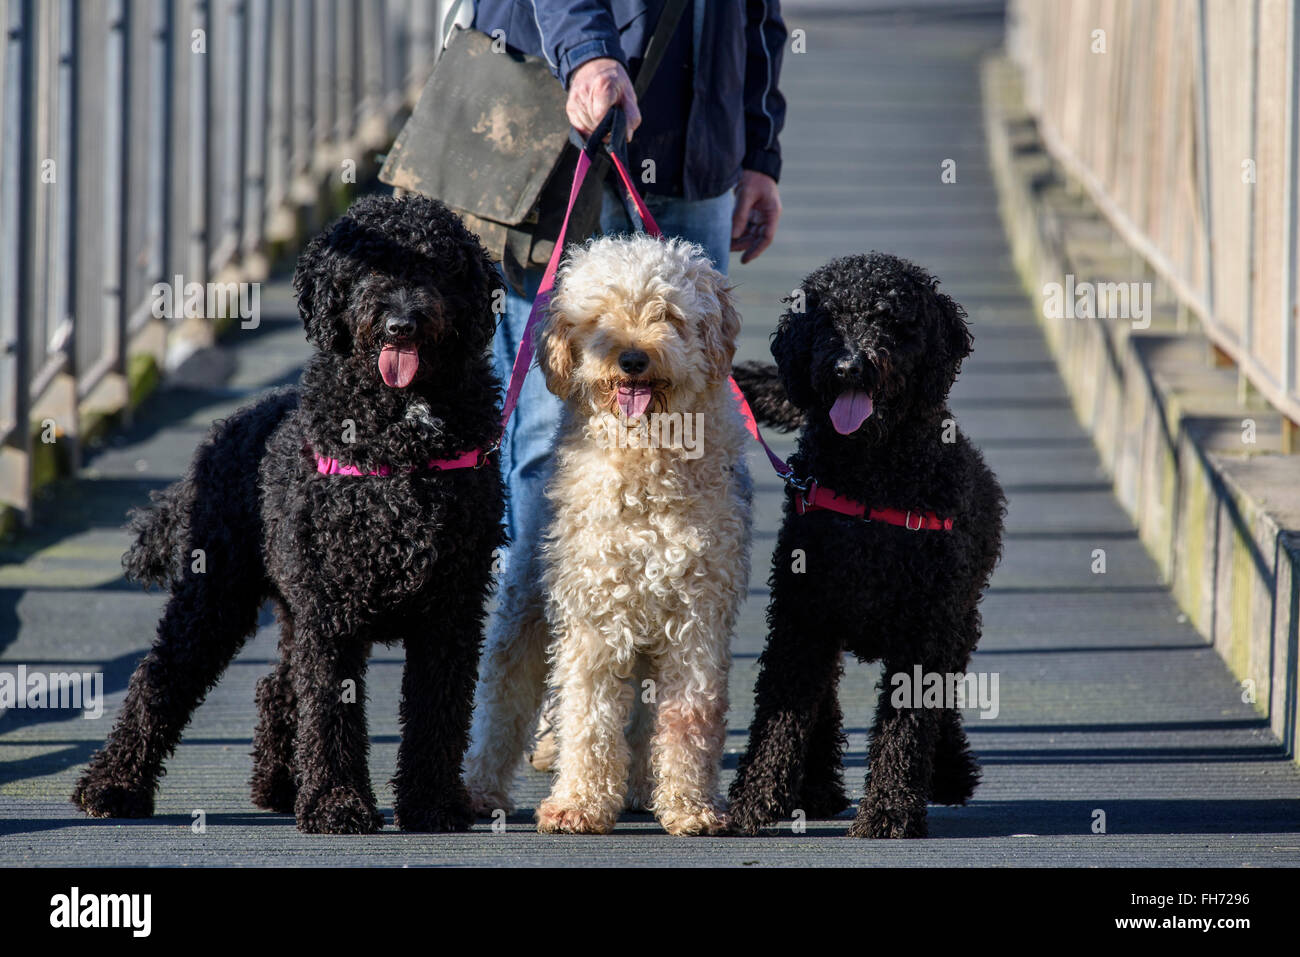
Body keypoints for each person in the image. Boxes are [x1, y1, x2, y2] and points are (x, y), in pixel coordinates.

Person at [472, 0, 788, 767]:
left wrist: (757, 147)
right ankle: (554, 697)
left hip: (699, 147)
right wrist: (585, 51)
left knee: (690, 445)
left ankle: (658, 738)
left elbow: (759, 14)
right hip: (558, 122)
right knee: (550, 449)